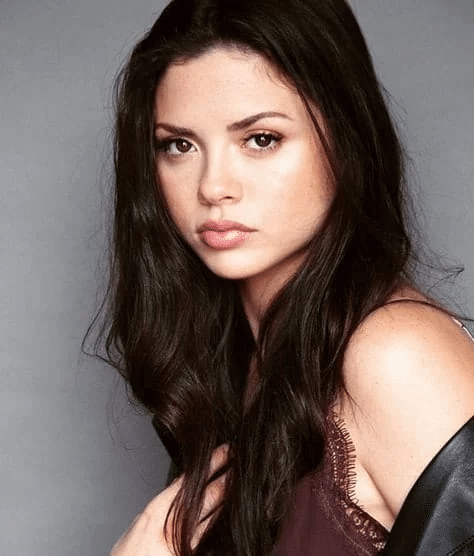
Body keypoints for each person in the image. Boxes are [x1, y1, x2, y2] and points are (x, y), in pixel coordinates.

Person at [93, 0, 474, 554]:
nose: (213, 187)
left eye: (261, 139)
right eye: (180, 145)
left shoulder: (396, 355)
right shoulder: (240, 359)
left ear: (344, 138)